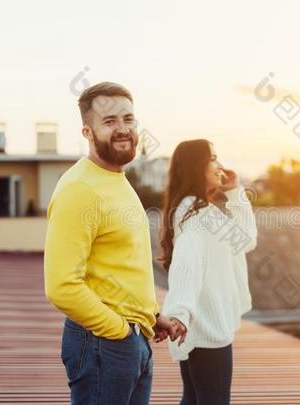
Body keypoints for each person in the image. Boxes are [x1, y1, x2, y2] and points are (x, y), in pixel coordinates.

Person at [44, 81, 178, 405]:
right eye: (109, 121)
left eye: (128, 119)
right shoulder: (80, 189)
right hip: (103, 344)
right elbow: (61, 285)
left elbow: (120, 266)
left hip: (133, 340)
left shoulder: (116, 179)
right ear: (87, 132)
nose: (123, 129)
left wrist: (147, 316)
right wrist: (119, 331)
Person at [159, 139, 257, 405]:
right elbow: (246, 239)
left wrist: (181, 314)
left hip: (197, 326)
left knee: (193, 398)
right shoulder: (202, 216)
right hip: (207, 329)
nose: (220, 166)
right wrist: (179, 312)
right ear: (196, 167)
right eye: (213, 158)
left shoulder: (187, 209)